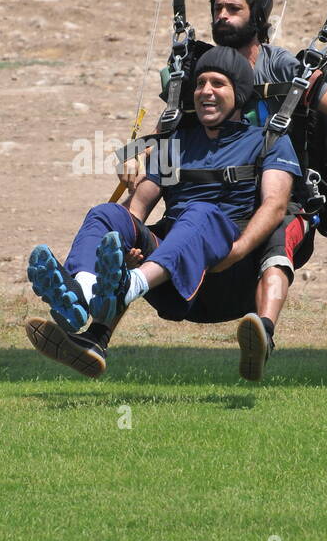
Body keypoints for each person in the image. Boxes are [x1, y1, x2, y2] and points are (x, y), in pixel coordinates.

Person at [24, 47, 302, 379]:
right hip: (168, 266)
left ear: (239, 94)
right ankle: (82, 292)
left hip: (228, 266)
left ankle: (127, 288)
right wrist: (119, 246)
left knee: (199, 213)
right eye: (200, 84)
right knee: (106, 214)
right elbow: (137, 209)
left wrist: (238, 252)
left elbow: (275, 206)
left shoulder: (268, 141)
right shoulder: (176, 145)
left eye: (217, 84)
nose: (205, 92)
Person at [208, 0, 327, 376]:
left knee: (277, 241)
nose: (222, 16)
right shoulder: (206, 70)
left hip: (287, 203)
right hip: (221, 200)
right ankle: (95, 330)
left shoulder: (284, 68)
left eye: (233, 8)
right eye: (217, 9)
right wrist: (142, 157)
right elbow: (168, 128)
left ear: (258, 16)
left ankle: (261, 333)